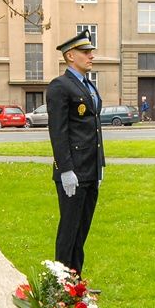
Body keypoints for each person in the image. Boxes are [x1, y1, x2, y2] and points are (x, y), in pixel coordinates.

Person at [47, 30, 104, 277]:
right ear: (70, 56)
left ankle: (75, 282)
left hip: (90, 170)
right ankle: (60, 287)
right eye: (85, 52)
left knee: (82, 231)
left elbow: (94, 129)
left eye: (91, 51)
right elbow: (58, 133)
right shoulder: (60, 86)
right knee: (69, 231)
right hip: (73, 172)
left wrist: (99, 165)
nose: (91, 55)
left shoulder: (88, 85)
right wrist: (66, 169)